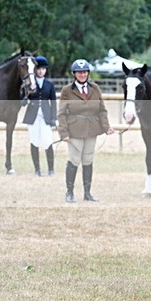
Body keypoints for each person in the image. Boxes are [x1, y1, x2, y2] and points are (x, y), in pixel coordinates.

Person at [57, 59, 114, 203]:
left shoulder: (95, 88)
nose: (82, 75)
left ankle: (87, 193)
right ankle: (69, 192)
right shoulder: (67, 91)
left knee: (88, 160)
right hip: (74, 130)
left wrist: (106, 127)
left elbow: (102, 110)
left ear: (88, 73)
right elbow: (62, 113)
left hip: (91, 130)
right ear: (74, 74)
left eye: (84, 72)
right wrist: (63, 133)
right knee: (74, 160)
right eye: (79, 72)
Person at [22, 56, 57, 176]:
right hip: (32, 116)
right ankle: (37, 169)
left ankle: (51, 169)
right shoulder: (29, 83)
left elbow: (53, 102)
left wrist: (54, 118)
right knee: (34, 142)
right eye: (38, 69)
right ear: (35, 69)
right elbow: (23, 101)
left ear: (46, 70)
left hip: (46, 116)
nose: (41, 71)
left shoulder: (49, 85)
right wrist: (27, 94)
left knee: (48, 142)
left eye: (43, 69)